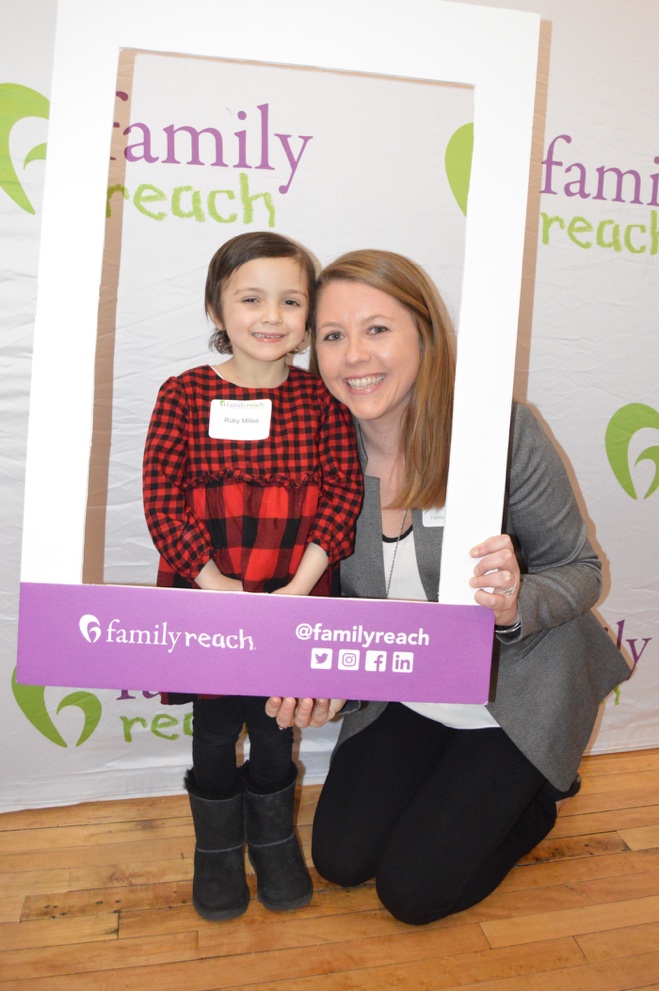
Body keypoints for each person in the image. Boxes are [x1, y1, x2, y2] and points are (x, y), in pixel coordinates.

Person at [267, 248, 631, 926]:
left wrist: (514, 601)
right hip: (408, 695)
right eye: (333, 335)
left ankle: (536, 794)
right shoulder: (316, 451)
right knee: (342, 861)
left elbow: (581, 570)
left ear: (424, 334)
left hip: (512, 692)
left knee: (414, 894)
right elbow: (325, 605)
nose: (354, 356)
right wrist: (314, 674)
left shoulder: (499, 431)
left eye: (377, 328)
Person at [142, 231, 363, 921]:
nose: (271, 315)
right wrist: (213, 585)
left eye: (290, 300)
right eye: (250, 298)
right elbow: (160, 497)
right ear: (216, 309)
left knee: (275, 729)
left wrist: (299, 588)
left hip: (296, 590)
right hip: (206, 594)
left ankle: (273, 840)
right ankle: (215, 850)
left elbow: (342, 494)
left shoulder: (323, 400)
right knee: (212, 728)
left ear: (308, 314)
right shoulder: (182, 395)